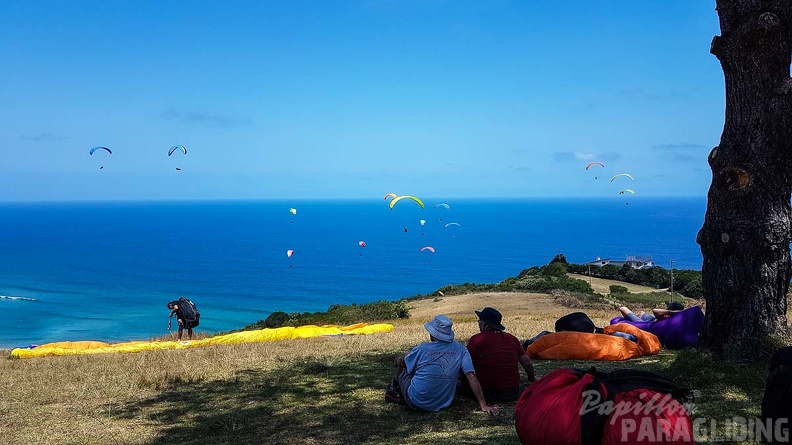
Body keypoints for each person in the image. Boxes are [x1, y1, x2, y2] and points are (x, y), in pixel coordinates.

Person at [392, 314, 499, 414]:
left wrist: (399, 360)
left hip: (416, 401)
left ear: (432, 334)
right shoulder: (460, 349)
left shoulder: (422, 348)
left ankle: (395, 385)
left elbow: (404, 363)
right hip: (444, 403)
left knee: (404, 368)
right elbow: (471, 375)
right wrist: (483, 404)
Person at [464, 307, 536, 403]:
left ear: (485, 324)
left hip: (487, 393)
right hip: (512, 392)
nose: (478, 323)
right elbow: (526, 363)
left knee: (459, 382)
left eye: (479, 321)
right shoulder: (512, 339)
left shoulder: (476, 339)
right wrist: (532, 378)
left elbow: (467, 366)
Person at [619, 301, 685, 323]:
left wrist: (672, 312)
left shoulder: (666, 318)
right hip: (652, 320)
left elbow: (655, 311)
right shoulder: (669, 316)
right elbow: (655, 311)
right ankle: (637, 317)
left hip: (643, 324)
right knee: (642, 312)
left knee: (623, 308)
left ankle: (634, 321)